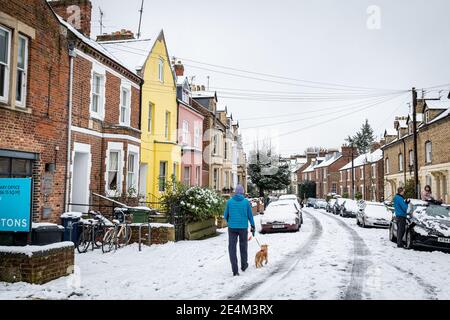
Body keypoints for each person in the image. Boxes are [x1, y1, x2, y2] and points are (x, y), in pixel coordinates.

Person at [223, 184, 255, 276]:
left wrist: (230, 221)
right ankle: (244, 265)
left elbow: (225, 215)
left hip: (232, 228)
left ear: (235, 192)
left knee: (232, 248)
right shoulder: (246, 202)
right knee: (243, 246)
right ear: (242, 192)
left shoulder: (229, 202)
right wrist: (253, 226)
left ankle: (235, 270)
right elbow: (250, 216)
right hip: (243, 228)